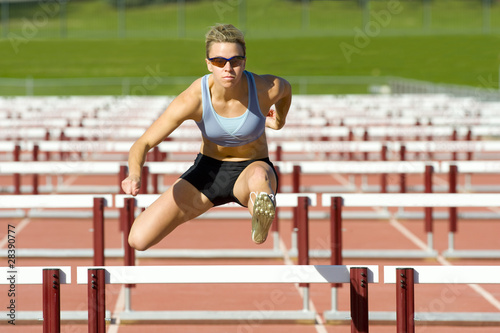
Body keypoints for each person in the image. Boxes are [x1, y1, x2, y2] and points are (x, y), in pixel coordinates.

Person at [121, 24, 292, 251]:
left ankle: (260, 213)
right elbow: (143, 143)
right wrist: (134, 174)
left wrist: (278, 120)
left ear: (244, 61)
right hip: (208, 174)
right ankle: (259, 205)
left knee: (259, 177)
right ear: (209, 63)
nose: (228, 68)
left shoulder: (264, 89)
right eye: (220, 61)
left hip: (251, 167)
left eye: (236, 61)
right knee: (138, 239)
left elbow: (286, 90)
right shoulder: (194, 98)